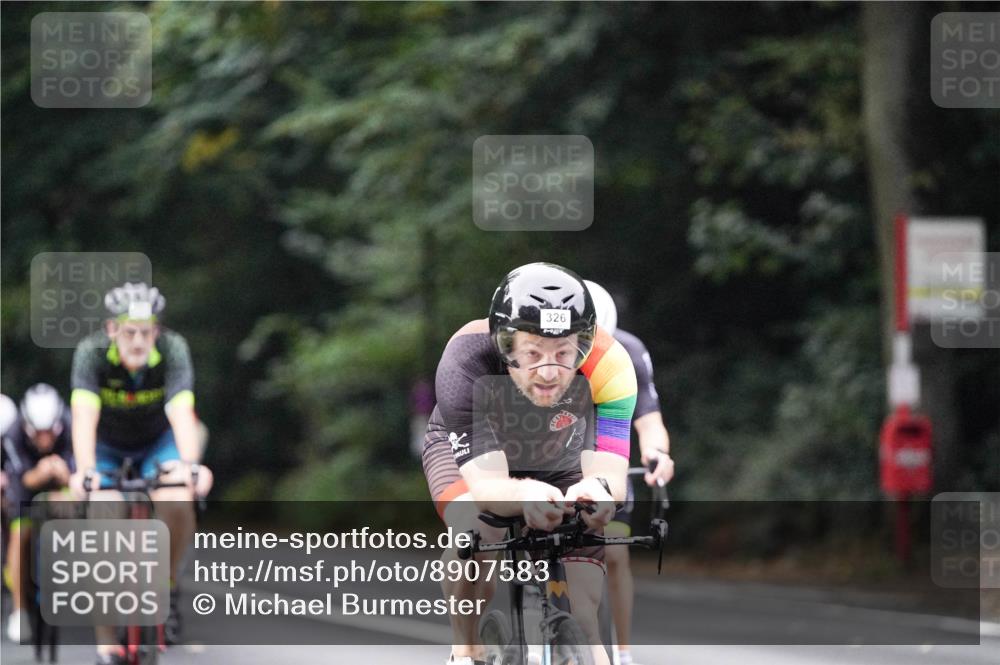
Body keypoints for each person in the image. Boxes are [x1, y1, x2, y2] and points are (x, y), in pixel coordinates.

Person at [422, 263, 638, 665]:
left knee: (584, 608)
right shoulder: (465, 359)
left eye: (563, 352)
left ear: (585, 344)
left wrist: (598, 491)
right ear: (505, 343)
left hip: (559, 452)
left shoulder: (612, 364)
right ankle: (465, 649)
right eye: (533, 352)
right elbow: (487, 486)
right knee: (474, 536)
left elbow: (610, 470)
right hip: (472, 456)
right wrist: (524, 493)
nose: (549, 371)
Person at [68, 282, 212, 664]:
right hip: (105, 444)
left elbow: (182, 413)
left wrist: (191, 466)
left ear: (157, 331)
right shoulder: (91, 353)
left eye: (146, 332)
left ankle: (163, 585)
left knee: (178, 499)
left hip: (156, 441)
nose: (138, 340)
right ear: (112, 330)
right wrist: (84, 472)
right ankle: (105, 641)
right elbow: (83, 417)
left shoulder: (173, 350)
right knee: (102, 512)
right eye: (129, 331)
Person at [584, 281, 673, 665]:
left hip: (608, 453)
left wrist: (657, 455)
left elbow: (649, 421)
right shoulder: (545, 352)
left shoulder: (630, 353)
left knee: (616, 552)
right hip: (557, 450)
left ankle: (622, 651)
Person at [2, 384, 75, 643]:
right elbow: (23, 479)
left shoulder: (70, 424)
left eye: (49, 433)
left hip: (59, 486)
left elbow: (76, 478)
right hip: (25, 487)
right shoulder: (13, 433)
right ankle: (19, 611)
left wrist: (62, 476)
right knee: (20, 533)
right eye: (38, 434)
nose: (44, 440)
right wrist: (44, 470)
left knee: (70, 510)